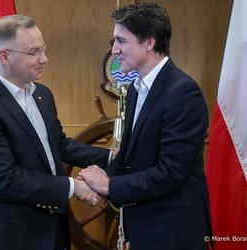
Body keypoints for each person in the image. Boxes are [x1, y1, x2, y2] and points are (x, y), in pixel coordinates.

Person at [0, 15, 110, 250]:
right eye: (34, 52)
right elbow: (6, 180)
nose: (44, 59)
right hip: (12, 234)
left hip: (54, 228)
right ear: (4, 56)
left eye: (43, 49)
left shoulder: (43, 94)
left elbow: (59, 145)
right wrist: (74, 186)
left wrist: (110, 157)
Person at [79, 3, 213, 250]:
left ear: (149, 42)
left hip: (173, 232)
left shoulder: (183, 92)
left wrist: (109, 185)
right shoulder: (134, 89)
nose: (115, 50)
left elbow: (171, 173)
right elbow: (130, 157)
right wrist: (97, 182)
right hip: (144, 225)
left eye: (121, 41)